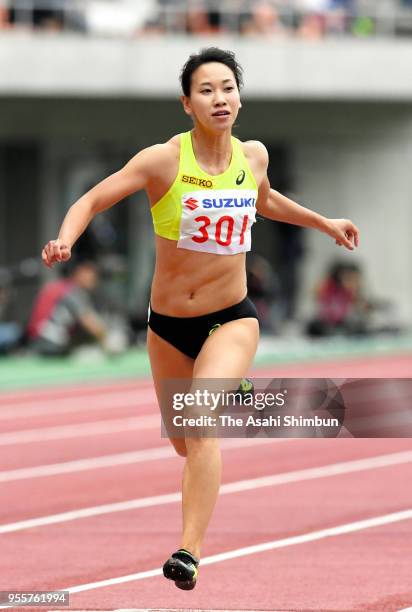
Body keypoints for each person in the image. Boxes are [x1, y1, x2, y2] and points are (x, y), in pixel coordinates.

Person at [41, 47, 359, 590]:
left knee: (200, 423)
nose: (220, 99)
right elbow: (92, 200)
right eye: (207, 90)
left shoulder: (252, 155)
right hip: (167, 325)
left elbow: (263, 201)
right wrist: (65, 240)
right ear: (187, 103)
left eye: (228, 88)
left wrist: (323, 222)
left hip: (232, 318)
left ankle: (188, 551)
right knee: (183, 441)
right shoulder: (163, 160)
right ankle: (229, 392)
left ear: (240, 96)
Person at [28, 260, 108, 356]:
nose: (92, 280)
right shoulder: (73, 292)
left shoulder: (62, 287)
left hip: (40, 340)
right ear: (77, 273)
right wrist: (109, 339)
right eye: (89, 276)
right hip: (50, 343)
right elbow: (92, 324)